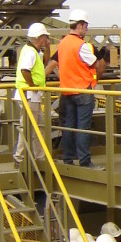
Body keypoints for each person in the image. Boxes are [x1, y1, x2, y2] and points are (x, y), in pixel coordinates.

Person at [49, 9, 106, 169]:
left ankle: (68, 158)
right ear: (80, 25)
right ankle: (85, 161)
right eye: (86, 25)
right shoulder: (80, 45)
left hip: (66, 91)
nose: (87, 28)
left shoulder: (63, 43)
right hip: (82, 91)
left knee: (68, 126)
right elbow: (94, 63)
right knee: (83, 127)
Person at [12, 22, 55, 166]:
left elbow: (45, 61)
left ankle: (39, 157)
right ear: (40, 37)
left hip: (32, 96)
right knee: (28, 127)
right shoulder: (30, 52)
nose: (46, 39)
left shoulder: (33, 51)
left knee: (38, 127)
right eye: (45, 37)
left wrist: (48, 47)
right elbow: (25, 70)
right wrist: (32, 86)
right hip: (29, 95)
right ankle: (20, 158)